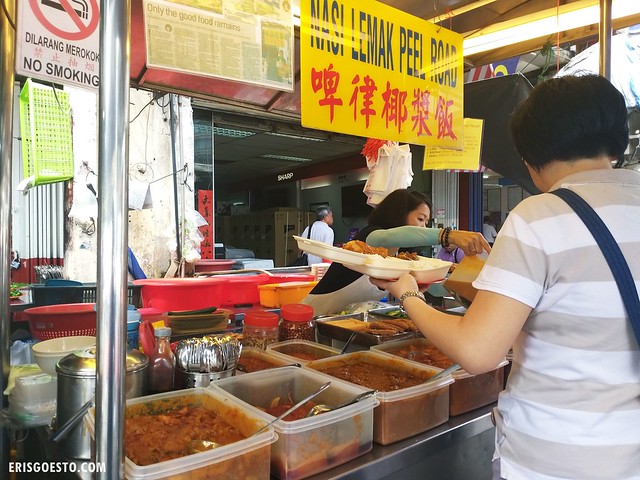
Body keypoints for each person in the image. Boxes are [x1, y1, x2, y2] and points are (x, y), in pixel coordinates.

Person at [370, 75, 640, 480]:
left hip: (554, 459)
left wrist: (408, 294)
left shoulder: (541, 216)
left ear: (529, 156)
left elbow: (478, 352)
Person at [301, 188, 488, 315]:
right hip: (313, 316)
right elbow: (388, 238)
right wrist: (449, 235)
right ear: (399, 214)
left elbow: (435, 289)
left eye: (426, 222)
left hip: (343, 321)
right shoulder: (372, 237)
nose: (424, 227)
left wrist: (466, 284)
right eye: (421, 219)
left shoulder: (400, 257)